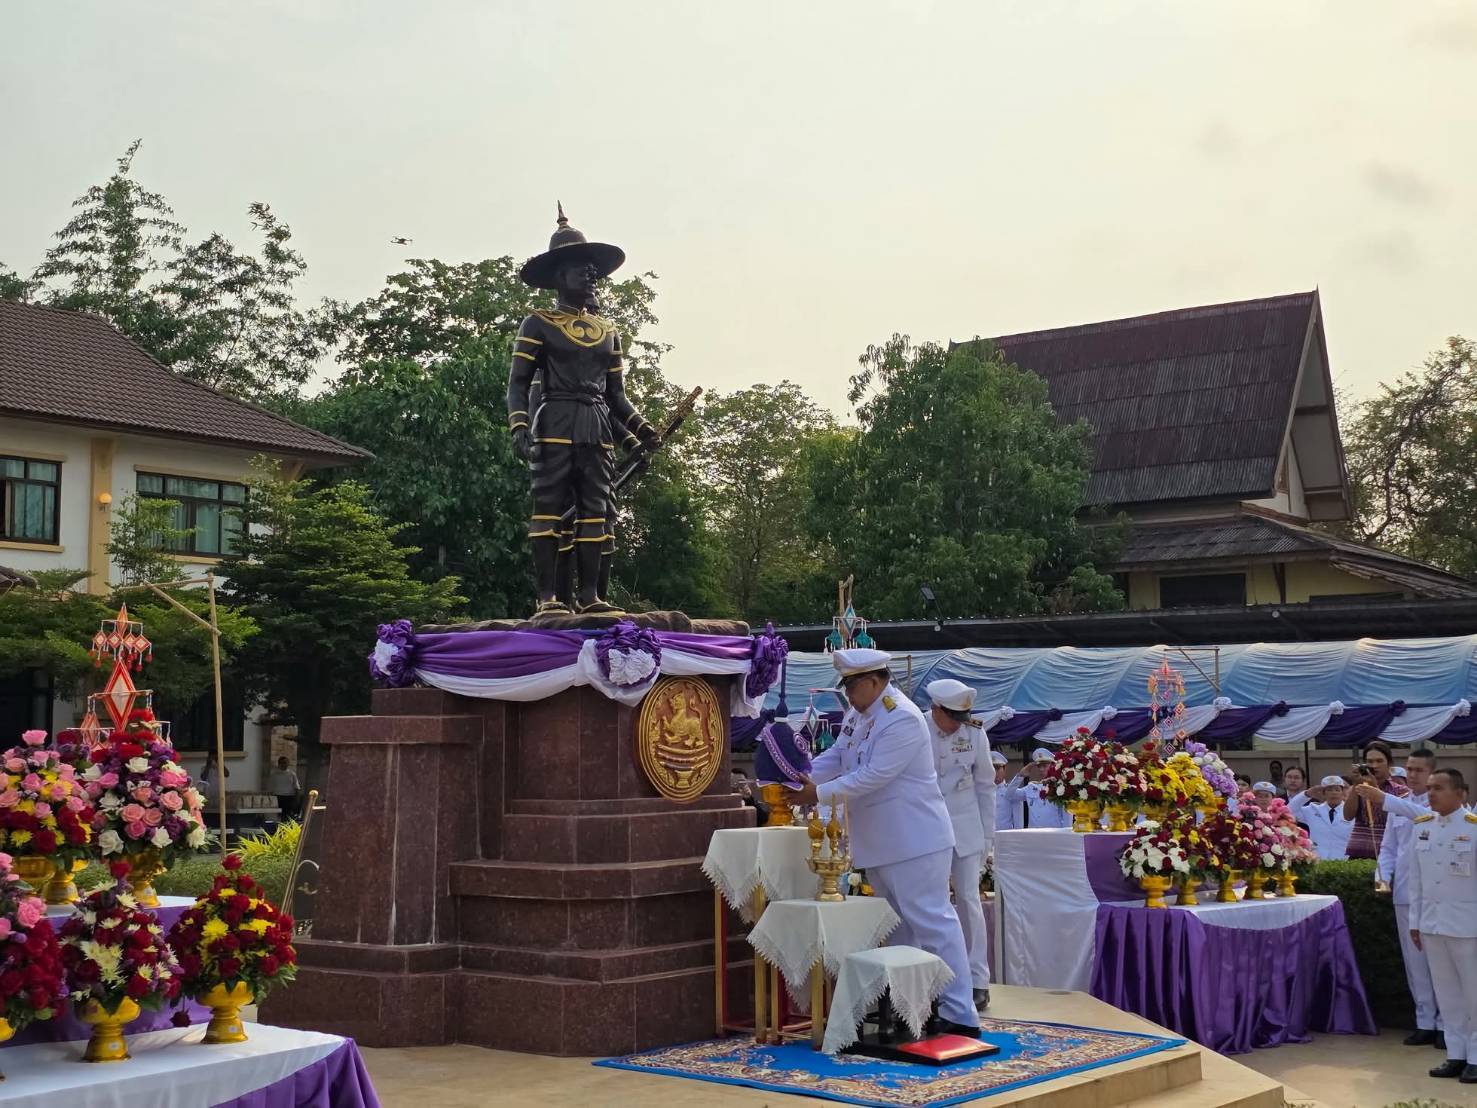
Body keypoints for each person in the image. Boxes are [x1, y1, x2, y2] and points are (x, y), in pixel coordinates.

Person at [795, 649, 980, 1037]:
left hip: (915, 839)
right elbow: (838, 755)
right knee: (898, 931)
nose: (847, 695)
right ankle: (909, 1007)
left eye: (852, 686)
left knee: (934, 924)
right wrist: (799, 776)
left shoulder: (903, 718)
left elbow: (873, 776)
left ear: (875, 682)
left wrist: (817, 794)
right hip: (883, 840)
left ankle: (961, 1013)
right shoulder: (859, 716)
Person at [506, 206, 660, 616]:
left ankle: (591, 596)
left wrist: (642, 430)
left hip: (597, 428)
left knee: (596, 512)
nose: (591, 274)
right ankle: (547, 599)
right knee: (550, 509)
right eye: (581, 267)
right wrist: (519, 425)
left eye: (594, 269)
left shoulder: (609, 331)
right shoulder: (536, 323)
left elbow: (617, 397)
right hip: (554, 421)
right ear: (559, 275)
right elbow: (518, 382)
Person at [925, 678, 996, 1011]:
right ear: (936, 709)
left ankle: (977, 980)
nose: (957, 724)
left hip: (966, 829)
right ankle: (935, 975)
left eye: (961, 717)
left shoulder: (975, 734)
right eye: (952, 716)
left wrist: (987, 837)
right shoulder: (917, 729)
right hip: (927, 830)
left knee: (969, 901)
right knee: (933, 903)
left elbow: (986, 787)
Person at [1365, 749, 1443, 1047]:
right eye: (1409, 769)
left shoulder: (1441, 805)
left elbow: (1423, 817)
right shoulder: (1401, 806)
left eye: (1419, 770)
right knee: (1415, 963)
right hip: (1405, 894)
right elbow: (1388, 848)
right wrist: (1381, 877)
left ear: (1432, 773)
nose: (1412, 775)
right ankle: (1424, 1020)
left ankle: (1446, 1025)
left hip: (1436, 896)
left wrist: (1383, 799)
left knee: (1440, 962)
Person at [1406, 768, 1477, 1082]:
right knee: (1447, 994)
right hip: (1433, 924)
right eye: (1430, 788)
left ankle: (1476, 1056)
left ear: (1460, 793)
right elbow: (1416, 881)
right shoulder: (1423, 828)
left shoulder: (1474, 828)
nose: (1431, 793)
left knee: (1473, 994)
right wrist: (1415, 922)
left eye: (1439, 788)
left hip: (1468, 924)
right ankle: (1456, 1053)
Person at [1344, 740, 1410, 859]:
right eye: (1370, 761)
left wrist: (1375, 787)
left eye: (1379, 761)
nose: (1374, 766)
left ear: (1389, 763)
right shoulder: (1360, 788)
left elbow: (1392, 819)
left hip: (1388, 853)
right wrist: (1355, 785)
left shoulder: (1401, 791)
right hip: (1358, 852)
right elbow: (1348, 816)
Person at [1289, 775, 1355, 860]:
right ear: (1323, 793)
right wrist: (1307, 794)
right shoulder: (1313, 810)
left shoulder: (1351, 811)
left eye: (1337, 790)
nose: (1333, 793)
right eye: (1329, 790)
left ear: (1342, 793)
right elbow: (1290, 810)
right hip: (1317, 861)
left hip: (1343, 862)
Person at [1004, 749, 1072, 829]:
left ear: (1053, 766)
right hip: (1034, 836)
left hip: (1054, 836)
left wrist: (1066, 836)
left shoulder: (1061, 788)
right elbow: (1009, 795)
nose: (1041, 769)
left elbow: (1067, 818)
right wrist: (1020, 776)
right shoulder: (1031, 787)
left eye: (1045, 766)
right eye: (1039, 766)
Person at [267, 756, 302, 821]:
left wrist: (297, 799)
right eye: (282, 763)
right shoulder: (274, 775)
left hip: (289, 798)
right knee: (278, 816)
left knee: (288, 816)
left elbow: (297, 787)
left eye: (286, 762)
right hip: (278, 797)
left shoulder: (292, 774)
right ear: (279, 764)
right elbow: (270, 789)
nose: (284, 764)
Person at [991, 751, 1015, 831]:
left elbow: (1018, 819)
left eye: (997, 768)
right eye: (992, 768)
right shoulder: (982, 792)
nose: (994, 772)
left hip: (1006, 837)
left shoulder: (1011, 791)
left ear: (1004, 769)